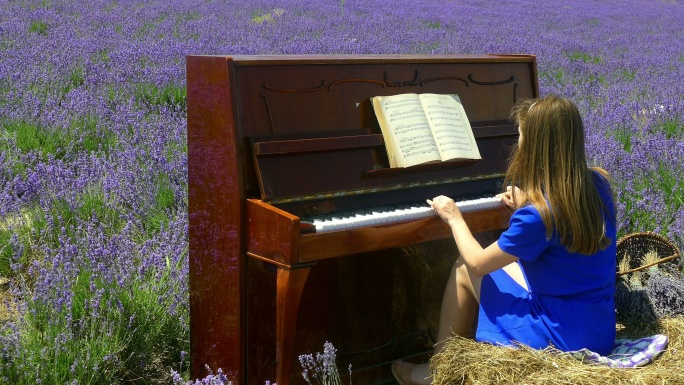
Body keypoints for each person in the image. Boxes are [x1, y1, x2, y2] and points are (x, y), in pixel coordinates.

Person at [391, 94, 617, 385]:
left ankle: (437, 372)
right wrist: (529, 201)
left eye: (521, 136)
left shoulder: (538, 216)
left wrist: (454, 217)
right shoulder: (597, 184)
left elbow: (477, 264)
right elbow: (560, 219)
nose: (518, 142)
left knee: (463, 268)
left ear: (535, 146)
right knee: (506, 268)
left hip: (561, 337)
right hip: (596, 329)